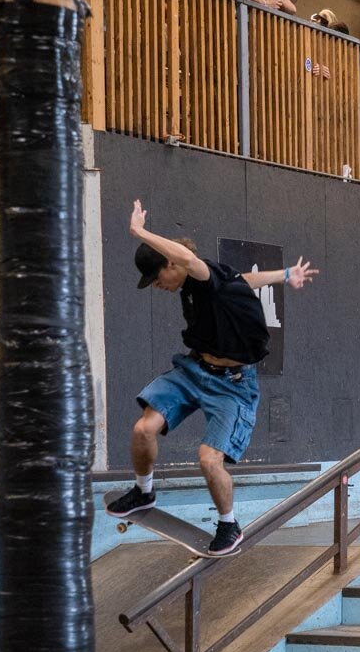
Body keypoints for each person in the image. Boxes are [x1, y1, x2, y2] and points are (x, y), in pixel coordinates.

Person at [106, 200, 319, 556]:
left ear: (171, 264)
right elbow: (244, 280)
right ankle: (143, 492)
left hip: (233, 386)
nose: (156, 286)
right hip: (194, 371)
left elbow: (190, 260)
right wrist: (284, 274)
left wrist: (139, 231)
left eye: (157, 278)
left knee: (208, 458)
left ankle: (228, 524)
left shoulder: (199, 274)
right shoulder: (213, 282)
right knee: (143, 429)